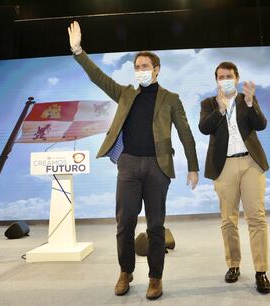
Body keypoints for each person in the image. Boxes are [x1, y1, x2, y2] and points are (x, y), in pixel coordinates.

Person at [68, 21, 199, 300]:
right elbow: (99, 78)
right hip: (128, 165)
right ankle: (125, 272)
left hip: (157, 167)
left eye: (145, 66)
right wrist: (79, 51)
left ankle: (155, 278)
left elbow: (186, 133)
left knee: (155, 226)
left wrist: (193, 167)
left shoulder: (171, 99)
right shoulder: (126, 93)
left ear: (156, 70)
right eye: (137, 67)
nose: (140, 70)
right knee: (125, 223)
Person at [198, 61, 270, 294]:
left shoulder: (246, 99)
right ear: (216, 80)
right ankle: (233, 265)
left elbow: (261, 125)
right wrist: (220, 109)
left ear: (237, 78)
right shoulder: (209, 103)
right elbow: (204, 128)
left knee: (257, 218)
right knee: (228, 220)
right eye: (220, 77)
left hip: (251, 163)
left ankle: (261, 271)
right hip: (224, 166)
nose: (224, 80)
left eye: (228, 76)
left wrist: (251, 103)